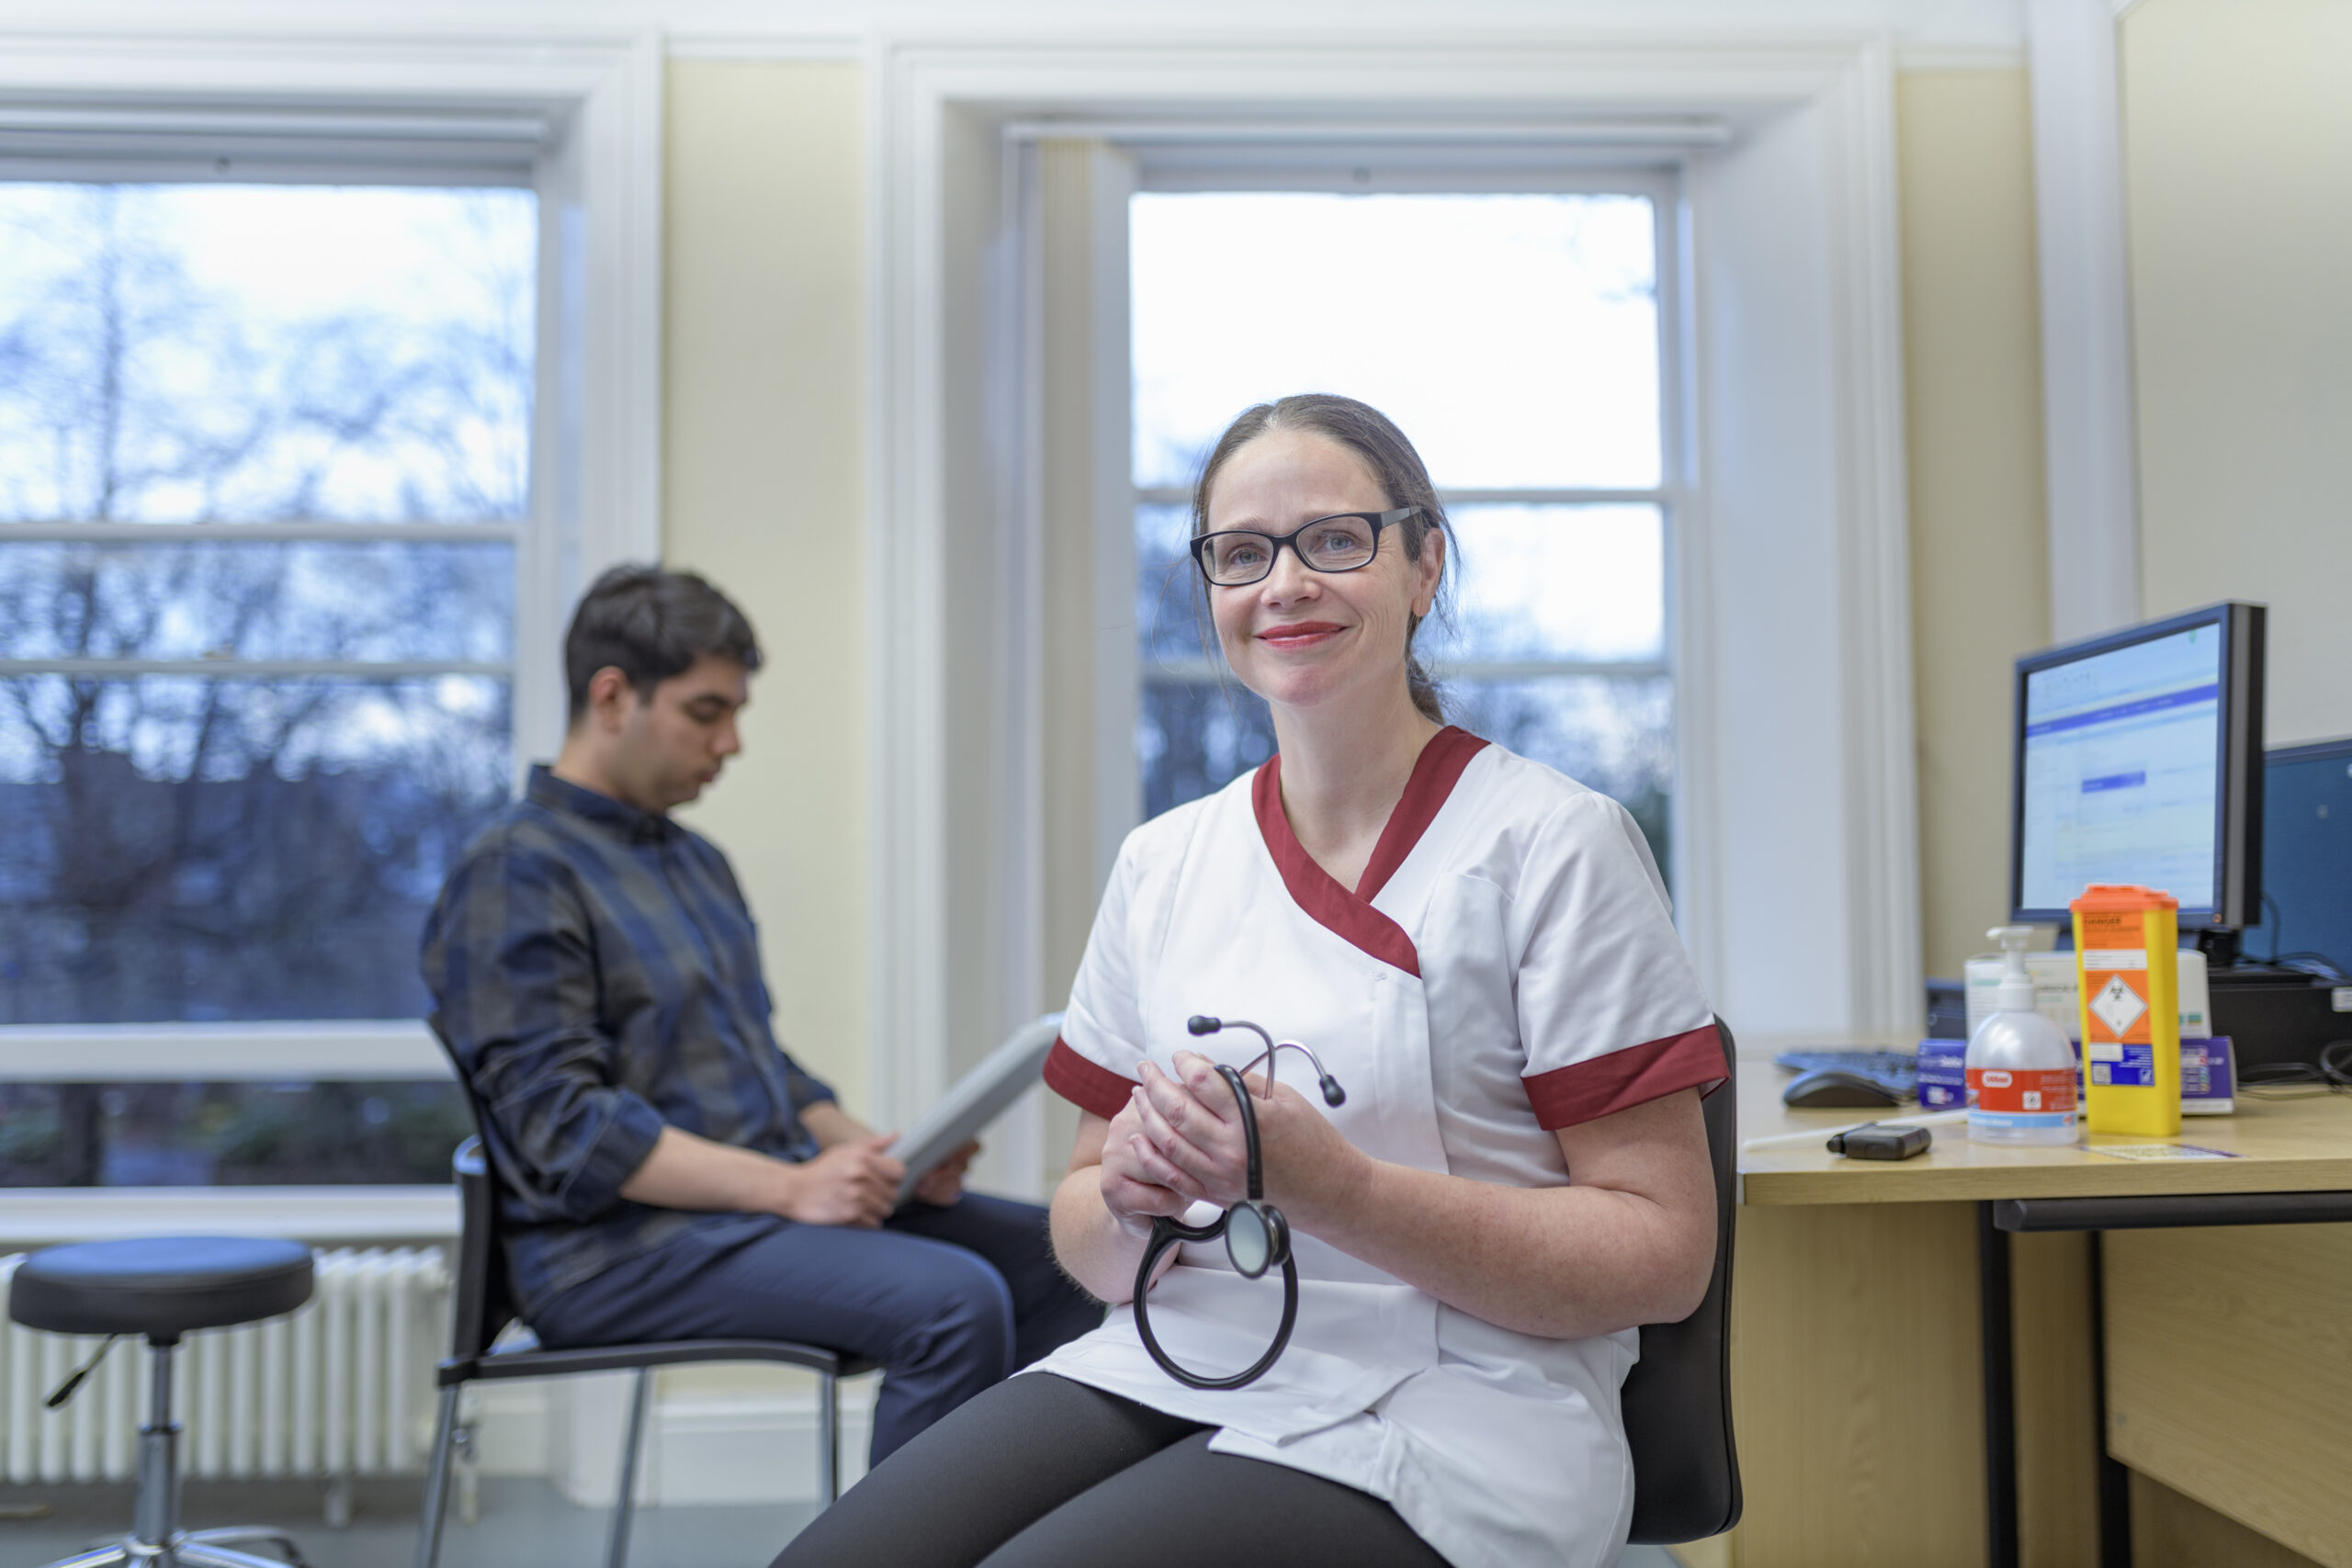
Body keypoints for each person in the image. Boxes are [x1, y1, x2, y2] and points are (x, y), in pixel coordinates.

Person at [773, 394, 1725, 1568]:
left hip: (1459, 1402)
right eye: (1242, 554)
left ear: (1424, 565)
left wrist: (1338, 1191)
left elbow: (1665, 1255)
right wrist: (1131, 1198)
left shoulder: (1551, 844)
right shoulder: (1165, 862)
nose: (1285, 584)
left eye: (1336, 539)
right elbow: (1083, 1217)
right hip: (1183, 1354)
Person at [419, 566, 1099, 1468]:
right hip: (609, 1253)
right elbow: (567, 1134)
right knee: (951, 1301)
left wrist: (884, 1159)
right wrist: (788, 1188)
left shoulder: (696, 862)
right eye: (706, 712)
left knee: (1065, 1259)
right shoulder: (514, 871)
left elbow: (764, 1069)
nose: (732, 742)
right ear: (612, 697)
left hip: (749, 1215)